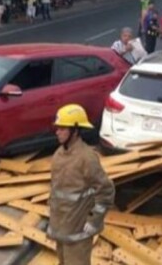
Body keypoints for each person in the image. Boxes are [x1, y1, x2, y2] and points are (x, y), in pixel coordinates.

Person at [48, 104, 115, 265]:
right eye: (57, 128)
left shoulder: (87, 158)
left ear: (75, 131)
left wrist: (94, 221)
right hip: (61, 229)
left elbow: (106, 191)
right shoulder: (58, 155)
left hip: (78, 233)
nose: (57, 132)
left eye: (62, 128)